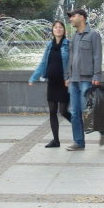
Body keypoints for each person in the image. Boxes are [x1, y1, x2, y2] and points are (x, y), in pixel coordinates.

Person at [65, 8, 104, 151]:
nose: (70, 19)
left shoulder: (93, 35)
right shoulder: (74, 36)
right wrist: (68, 76)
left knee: (86, 112)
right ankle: (79, 142)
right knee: (75, 113)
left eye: (72, 16)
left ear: (82, 17)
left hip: (87, 80)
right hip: (74, 81)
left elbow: (97, 56)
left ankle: (102, 129)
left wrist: (97, 75)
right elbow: (71, 58)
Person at [29, 20, 72, 148]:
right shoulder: (49, 45)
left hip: (64, 83)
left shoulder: (68, 45)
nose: (58, 29)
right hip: (52, 82)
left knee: (63, 111)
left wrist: (70, 77)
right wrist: (34, 77)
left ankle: (79, 125)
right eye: (56, 27)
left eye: (60, 27)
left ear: (64, 30)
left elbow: (72, 63)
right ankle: (56, 141)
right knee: (52, 111)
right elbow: (43, 63)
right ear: (52, 30)